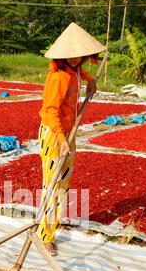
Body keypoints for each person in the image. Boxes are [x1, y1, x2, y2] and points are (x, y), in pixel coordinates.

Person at [37, 22, 106, 256]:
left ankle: (52, 225)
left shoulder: (75, 70)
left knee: (63, 183)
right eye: (74, 55)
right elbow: (50, 111)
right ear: (66, 55)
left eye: (81, 55)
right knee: (52, 183)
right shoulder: (58, 78)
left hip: (69, 132)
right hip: (54, 134)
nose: (78, 58)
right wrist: (61, 138)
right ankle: (45, 235)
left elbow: (81, 74)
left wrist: (91, 80)